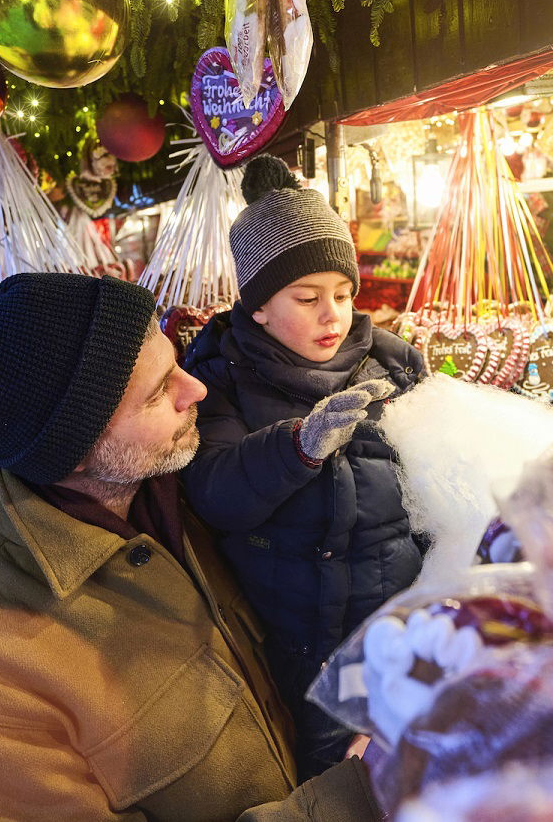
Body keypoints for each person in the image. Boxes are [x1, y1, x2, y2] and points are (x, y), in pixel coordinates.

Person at [0, 272, 380, 820]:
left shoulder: (201, 501)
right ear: (73, 451)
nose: (194, 388)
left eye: (176, 362)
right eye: (158, 393)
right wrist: (359, 793)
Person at [182, 156, 426, 778]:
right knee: (338, 784)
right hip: (298, 647)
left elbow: (440, 482)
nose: (333, 315)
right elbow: (216, 492)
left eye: (344, 295)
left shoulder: (393, 366)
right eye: (308, 297)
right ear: (259, 306)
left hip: (401, 633)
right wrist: (297, 447)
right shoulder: (220, 379)